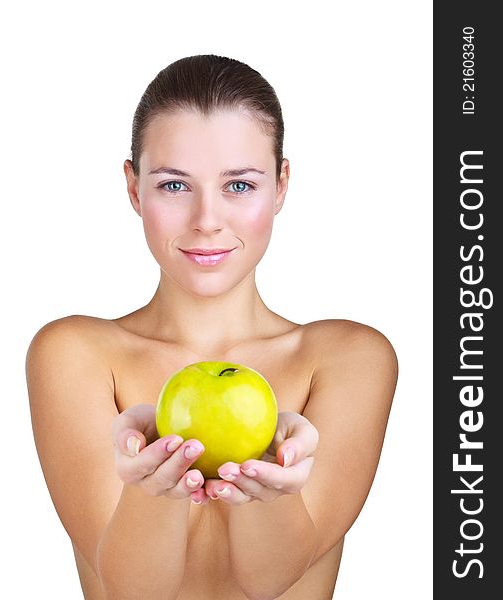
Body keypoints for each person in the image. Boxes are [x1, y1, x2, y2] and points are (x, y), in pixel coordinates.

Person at [26, 54, 398, 600]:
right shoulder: (74, 353)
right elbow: (134, 592)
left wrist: (270, 491)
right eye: (175, 186)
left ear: (281, 184)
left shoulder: (349, 358)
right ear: (133, 189)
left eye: (240, 186)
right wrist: (151, 489)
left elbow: (271, 580)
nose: (206, 219)